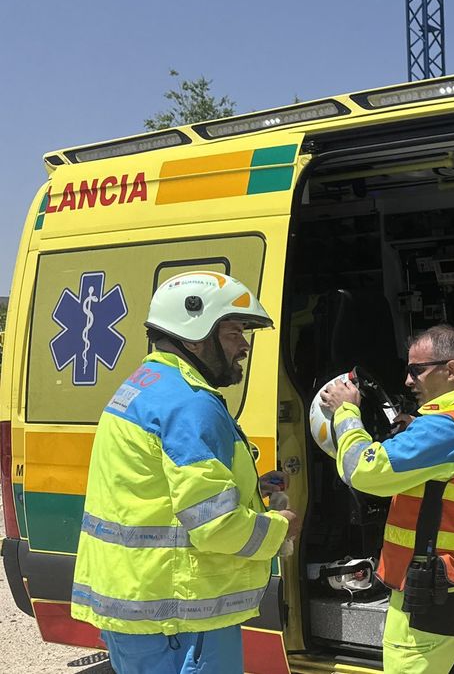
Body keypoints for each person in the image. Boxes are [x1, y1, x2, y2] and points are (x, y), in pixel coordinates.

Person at [71, 272, 300, 674]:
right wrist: (280, 528)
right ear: (194, 337)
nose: (244, 346)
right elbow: (215, 527)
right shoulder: (190, 404)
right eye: (233, 333)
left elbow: (162, 488)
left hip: (140, 606)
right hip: (181, 619)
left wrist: (251, 487)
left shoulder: (148, 385)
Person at [320, 325, 454, 674]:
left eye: (417, 370)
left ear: (451, 370)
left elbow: (365, 472)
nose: (408, 380)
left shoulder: (442, 429)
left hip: (429, 592)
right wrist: (415, 430)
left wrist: (346, 413)